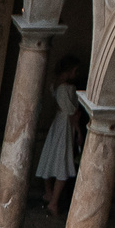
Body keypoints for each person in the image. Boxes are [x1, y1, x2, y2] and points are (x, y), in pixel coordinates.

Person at [35, 56, 82, 216]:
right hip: (65, 125)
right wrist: (78, 131)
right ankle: (53, 201)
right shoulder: (66, 88)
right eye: (75, 71)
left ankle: (49, 193)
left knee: (51, 157)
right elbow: (72, 113)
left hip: (58, 122)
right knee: (63, 160)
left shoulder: (55, 85)